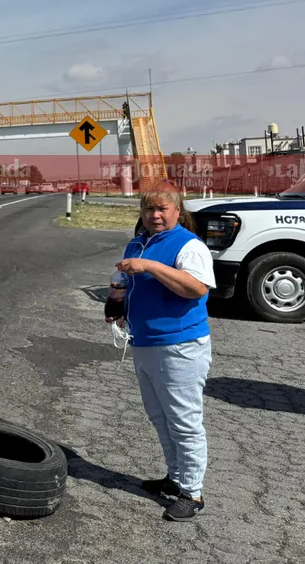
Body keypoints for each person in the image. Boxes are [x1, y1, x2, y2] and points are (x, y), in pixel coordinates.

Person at [108, 181, 214, 522]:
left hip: (180, 345)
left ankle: (193, 492)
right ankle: (176, 476)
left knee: (184, 421)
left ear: (177, 211)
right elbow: (128, 284)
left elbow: (195, 288)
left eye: (161, 209)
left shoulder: (188, 245)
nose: (154, 215)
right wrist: (119, 300)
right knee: (159, 416)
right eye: (148, 209)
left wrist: (150, 267)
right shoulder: (139, 242)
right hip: (145, 342)